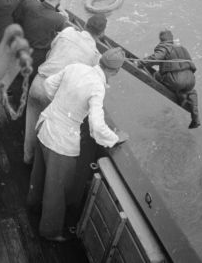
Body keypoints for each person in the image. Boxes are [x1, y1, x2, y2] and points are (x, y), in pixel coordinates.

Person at [27, 47, 129, 242]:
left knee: (38, 172)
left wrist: (61, 106)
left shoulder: (75, 67)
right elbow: (97, 127)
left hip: (45, 125)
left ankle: (32, 205)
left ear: (100, 61)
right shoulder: (98, 87)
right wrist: (115, 138)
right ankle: (50, 231)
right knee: (57, 188)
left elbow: (48, 85)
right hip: (61, 141)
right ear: (115, 72)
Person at [23, 14, 108, 165]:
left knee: (30, 124)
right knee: (45, 132)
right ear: (101, 34)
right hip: (53, 92)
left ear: (85, 24)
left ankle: (27, 157)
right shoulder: (94, 56)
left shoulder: (67, 32)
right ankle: (38, 166)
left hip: (38, 82)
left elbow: (52, 48)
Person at [145, 30, 200, 129]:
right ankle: (195, 116)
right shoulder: (183, 48)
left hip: (176, 81)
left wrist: (141, 62)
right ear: (172, 38)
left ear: (161, 40)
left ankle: (181, 96)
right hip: (191, 81)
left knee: (157, 75)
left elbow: (156, 58)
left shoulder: (164, 47)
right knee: (189, 90)